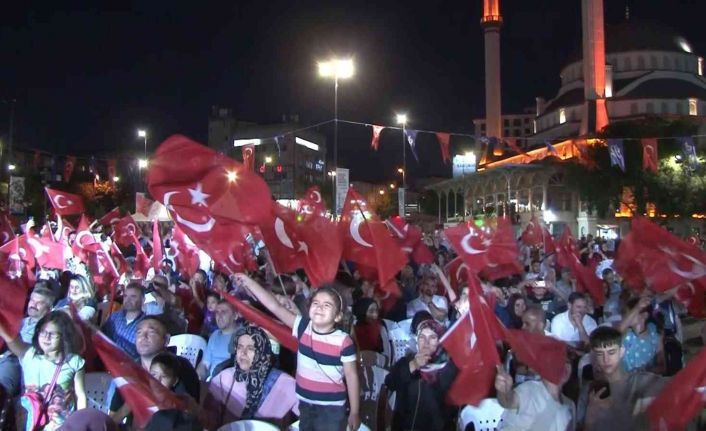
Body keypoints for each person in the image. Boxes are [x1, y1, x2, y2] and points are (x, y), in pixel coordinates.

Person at [234, 273, 360, 431]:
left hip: (331, 408)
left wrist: (354, 411)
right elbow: (275, 306)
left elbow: (351, 376)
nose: (319, 307)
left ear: (338, 316)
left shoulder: (343, 341)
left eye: (327, 305)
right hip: (305, 403)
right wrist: (249, 282)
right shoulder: (302, 327)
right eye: (316, 303)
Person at [0, 310, 86, 430]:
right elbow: (10, 338)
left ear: (64, 336)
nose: (46, 337)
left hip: (59, 425)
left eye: (52, 334)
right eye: (43, 332)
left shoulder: (74, 362)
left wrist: (81, 423)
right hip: (29, 422)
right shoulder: (29, 354)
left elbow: (80, 395)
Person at [108, 316, 200, 425]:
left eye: (151, 332)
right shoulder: (129, 371)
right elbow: (112, 418)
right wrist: (129, 405)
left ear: (166, 340)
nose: (143, 337)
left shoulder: (179, 366)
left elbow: (190, 415)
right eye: (139, 332)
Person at [203, 325, 298, 428]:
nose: (243, 353)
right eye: (240, 347)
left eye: (251, 348)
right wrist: (195, 409)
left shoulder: (287, 384)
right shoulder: (224, 378)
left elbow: (308, 421)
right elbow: (209, 422)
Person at [577, 326, 669, 431]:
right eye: (600, 353)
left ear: (621, 352)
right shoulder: (588, 391)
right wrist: (589, 417)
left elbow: (675, 387)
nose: (606, 359)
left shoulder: (640, 381)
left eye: (611, 352)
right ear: (593, 355)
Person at [384, 319, 458, 431]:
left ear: (440, 340)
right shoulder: (406, 362)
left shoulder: (449, 368)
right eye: (422, 337)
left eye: (432, 337)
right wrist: (413, 365)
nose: (426, 343)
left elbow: (453, 407)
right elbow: (390, 382)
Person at [0, 286, 55, 396]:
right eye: (32, 300)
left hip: (17, 363)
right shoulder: (19, 321)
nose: (33, 305)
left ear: (49, 309)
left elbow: (26, 351)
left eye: (39, 303)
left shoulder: (46, 330)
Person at [495, 361, 575, 431]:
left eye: (568, 362)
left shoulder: (570, 405)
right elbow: (507, 401)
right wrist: (503, 390)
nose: (565, 366)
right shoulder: (530, 389)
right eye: (559, 361)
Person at [197, 299, 241, 381]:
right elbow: (204, 364)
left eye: (224, 312)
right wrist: (198, 377)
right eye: (217, 312)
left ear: (235, 315)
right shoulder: (214, 335)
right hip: (211, 382)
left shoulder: (243, 336)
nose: (219, 316)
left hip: (229, 383)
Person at [618, 296, 665, 374]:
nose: (627, 317)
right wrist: (638, 307)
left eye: (631, 313)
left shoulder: (655, 333)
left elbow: (662, 365)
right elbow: (618, 331)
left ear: (644, 315)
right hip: (626, 379)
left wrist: (646, 371)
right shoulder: (626, 334)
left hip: (645, 379)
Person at [101, 282, 146, 360]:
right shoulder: (114, 317)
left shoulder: (146, 324)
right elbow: (102, 337)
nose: (128, 300)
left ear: (143, 300)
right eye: (125, 296)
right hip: (105, 359)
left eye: (133, 297)